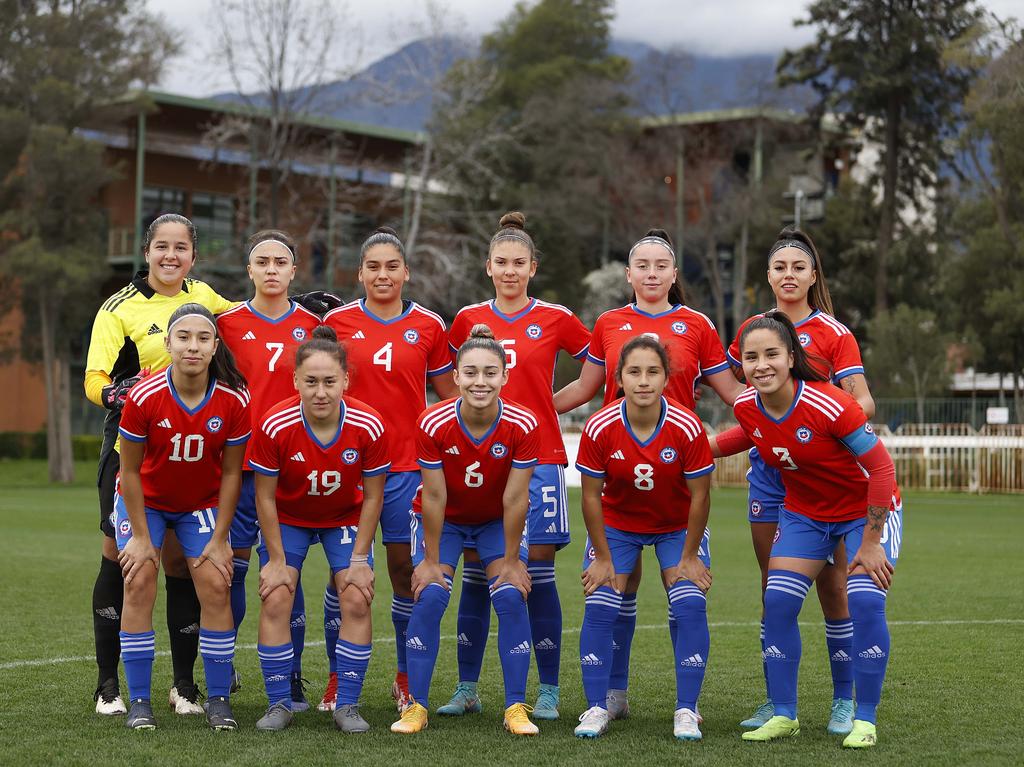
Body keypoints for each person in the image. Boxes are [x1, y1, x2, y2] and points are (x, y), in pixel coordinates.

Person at [554, 228, 743, 717]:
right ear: (629, 274)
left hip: (677, 483)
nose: (652, 273)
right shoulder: (609, 322)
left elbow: (732, 393)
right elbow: (585, 387)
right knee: (616, 591)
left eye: (661, 266)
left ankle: (687, 707)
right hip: (619, 481)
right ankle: (613, 696)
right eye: (643, 265)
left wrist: (786, 414)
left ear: (674, 274)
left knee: (685, 594)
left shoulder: (697, 324)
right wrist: (532, 411)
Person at [713, 311, 902, 749]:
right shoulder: (747, 405)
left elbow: (881, 469)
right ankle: (784, 714)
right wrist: (690, 449)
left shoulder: (830, 404)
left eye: (772, 355)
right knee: (778, 601)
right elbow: (746, 435)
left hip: (865, 512)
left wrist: (871, 543)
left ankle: (864, 718)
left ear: (792, 356)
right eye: (751, 357)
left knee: (864, 600)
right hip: (806, 514)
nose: (761, 365)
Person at [438, 212, 590, 720]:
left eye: (518, 263)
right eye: (501, 262)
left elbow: (597, 368)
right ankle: (467, 687)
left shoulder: (556, 317)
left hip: (539, 457)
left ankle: (547, 689)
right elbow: (449, 379)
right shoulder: (467, 319)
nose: (509, 270)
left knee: (537, 575)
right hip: (481, 459)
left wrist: (549, 407)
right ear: (488, 266)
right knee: (478, 574)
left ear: (533, 268)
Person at [727, 227, 876, 735]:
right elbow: (742, 391)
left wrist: (824, 424)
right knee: (774, 588)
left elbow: (863, 400)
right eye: (779, 268)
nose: (788, 276)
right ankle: (778, 701)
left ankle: (843, 699)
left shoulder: (833, 333)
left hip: (820, 475)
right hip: (769, 475)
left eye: (798, 267)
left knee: (835, 588)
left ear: (813, 276)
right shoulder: (754, 329)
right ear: (768, 276)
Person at [85, 214, 236, 715]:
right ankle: (109, 685)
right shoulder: (119, 307)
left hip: (189, 446)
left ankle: (183, 686)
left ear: (193, 255)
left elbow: (250, 315)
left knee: (179, 562)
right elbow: (94, 378)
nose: (171, 256)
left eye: (181, 248)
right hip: (132, 444)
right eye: (162, 247)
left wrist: (300, 306)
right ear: (146, 250)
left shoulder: (204, 296)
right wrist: (114, 393)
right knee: (123, 556)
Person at [322, 226, 456, 711]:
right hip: (347, 469)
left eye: (392, 266)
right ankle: (337, 678)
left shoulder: (429, 325)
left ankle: (404, 676)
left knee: (404, 571)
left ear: (406, 273)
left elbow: (451, 399)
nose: (383, 274)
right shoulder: (336, 322)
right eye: (373, 267)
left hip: (405, 469)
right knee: (343, 572)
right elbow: (317, 384)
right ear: (360, 273)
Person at [390, 326, 540, 736]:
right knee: (431, 594)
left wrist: (512, 561)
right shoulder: (433, 422)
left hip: (495, 521)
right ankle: (416, 707)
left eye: (490, 372)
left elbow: (515, 499)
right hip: (446, 521)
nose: (480, 382)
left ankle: (515, 708)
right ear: (455, 376)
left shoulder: (524, 424)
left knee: (510, 595)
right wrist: (430, 561)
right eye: (470, 372)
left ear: (505, 375)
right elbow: (435, 496)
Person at [114, 303, 250, 730]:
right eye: (184, 337)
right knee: (138, 579)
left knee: (217, 583)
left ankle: (219, 700)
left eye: (203, 338)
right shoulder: (144, 396)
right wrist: (141, 538)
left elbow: (232, 474)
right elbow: (129, 472)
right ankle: (139, 701)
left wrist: (221, 537)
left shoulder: (233, 399)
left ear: (215, 346)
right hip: (145, 502)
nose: (193, 346)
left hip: (200, 505)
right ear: (168, 343)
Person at [248, 326, 390, 732]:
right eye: (311, 381)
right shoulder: (275, 424)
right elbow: (264, 497)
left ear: (346, 380)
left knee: (357, 596)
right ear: (295, 380)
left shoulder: (368, 424)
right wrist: (276, 560)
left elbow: (374, 497)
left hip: (343, 518)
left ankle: (348, 705)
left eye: (330, 381)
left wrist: (360, 559)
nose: (321, 392)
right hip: (288, 518)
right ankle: (279, 703)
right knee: (277, 595)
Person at [573, 336, 715, 741]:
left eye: (653, 371)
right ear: (619, 378)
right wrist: (602, 557)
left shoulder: (687, 426)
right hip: (617, 525)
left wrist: (690, 556)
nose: (643, 380)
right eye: (633, 372)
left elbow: (701, 495)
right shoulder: (600, 425)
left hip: (676, 526)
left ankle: (686, 709)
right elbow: (590, 496)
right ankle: (601, 704)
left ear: (667, 378)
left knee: (689, 603)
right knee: (601, 602)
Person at [217, 230, 321, 710]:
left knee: (285, 569)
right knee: (231, 571)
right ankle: (223, 668)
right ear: (250, 270)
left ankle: (292, 676)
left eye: (281, 262)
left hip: (292, 466)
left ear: (294, 271)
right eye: (263, 262)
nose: (272, 269)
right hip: (239, 465)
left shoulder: (313, 326)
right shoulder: (227, 324)